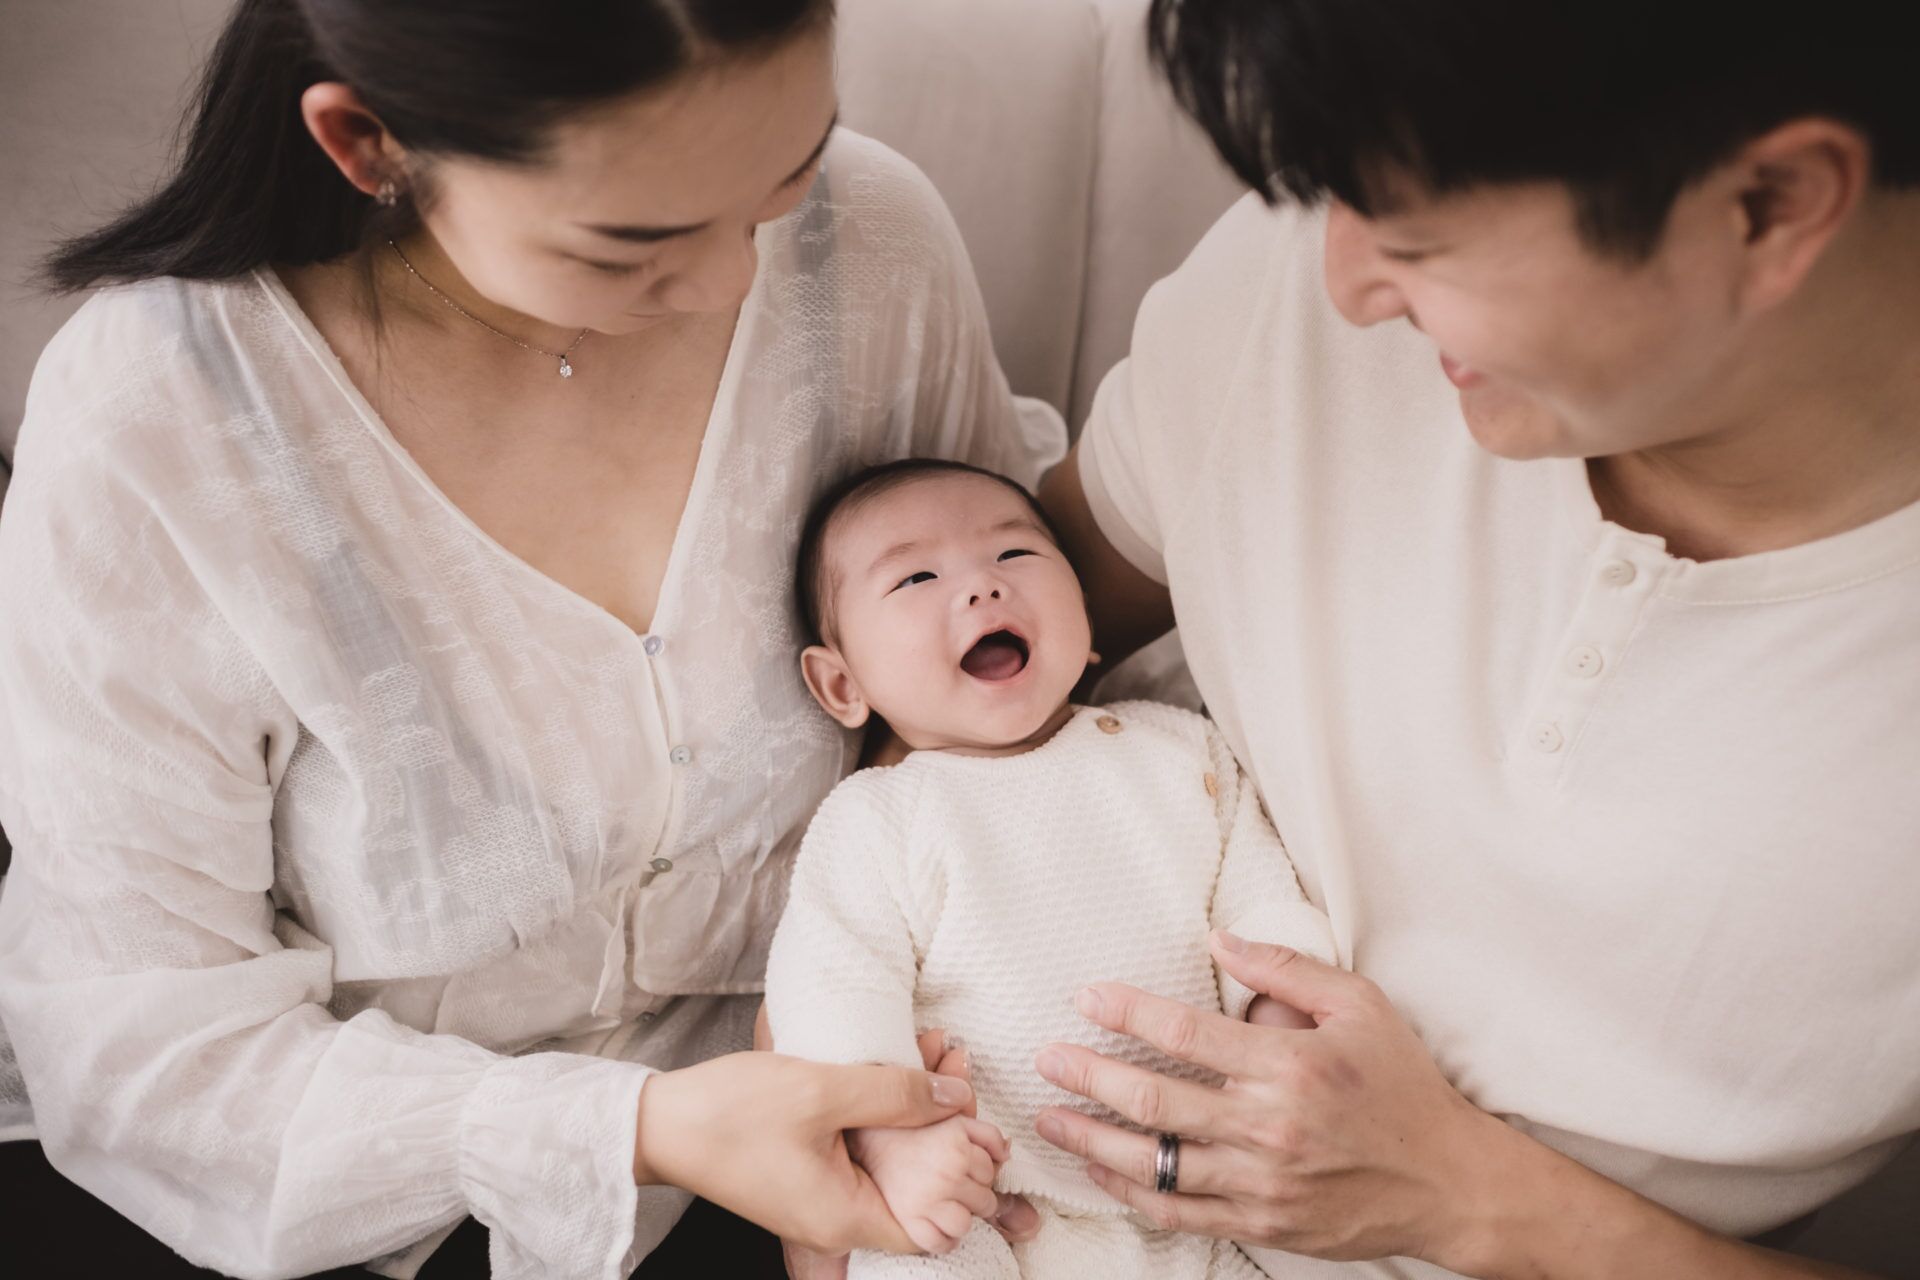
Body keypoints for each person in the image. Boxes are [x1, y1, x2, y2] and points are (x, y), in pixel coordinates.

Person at [0, 1, 1062, 1277]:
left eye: (787, 171)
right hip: (358, 1196)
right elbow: (144, 1048)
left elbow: (1013, 689)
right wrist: (636, 1128)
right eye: (630, 244)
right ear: (365, 144)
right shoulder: (155, 421)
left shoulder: (871, 239)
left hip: (873, 1122)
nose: (736, 280)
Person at [1022, 2, 1920, 1277]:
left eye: (1419, 239)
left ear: (1771, 202)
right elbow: (982, 624)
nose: (1344, 282)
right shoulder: (1300, 275)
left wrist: (1471, 1199)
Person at [763, 459, 1337, 1278]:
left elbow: (1259, 887)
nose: (982, 590)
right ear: (842, 683)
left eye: (1017, 557)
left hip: (1204, 1192)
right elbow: (831, 985)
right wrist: (887, 1137)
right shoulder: (878, 816)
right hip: (991, 1197)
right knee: (909, 1254)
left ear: (1087, 620)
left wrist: (1279, 1014)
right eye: (918, 576)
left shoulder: (1176, 749)